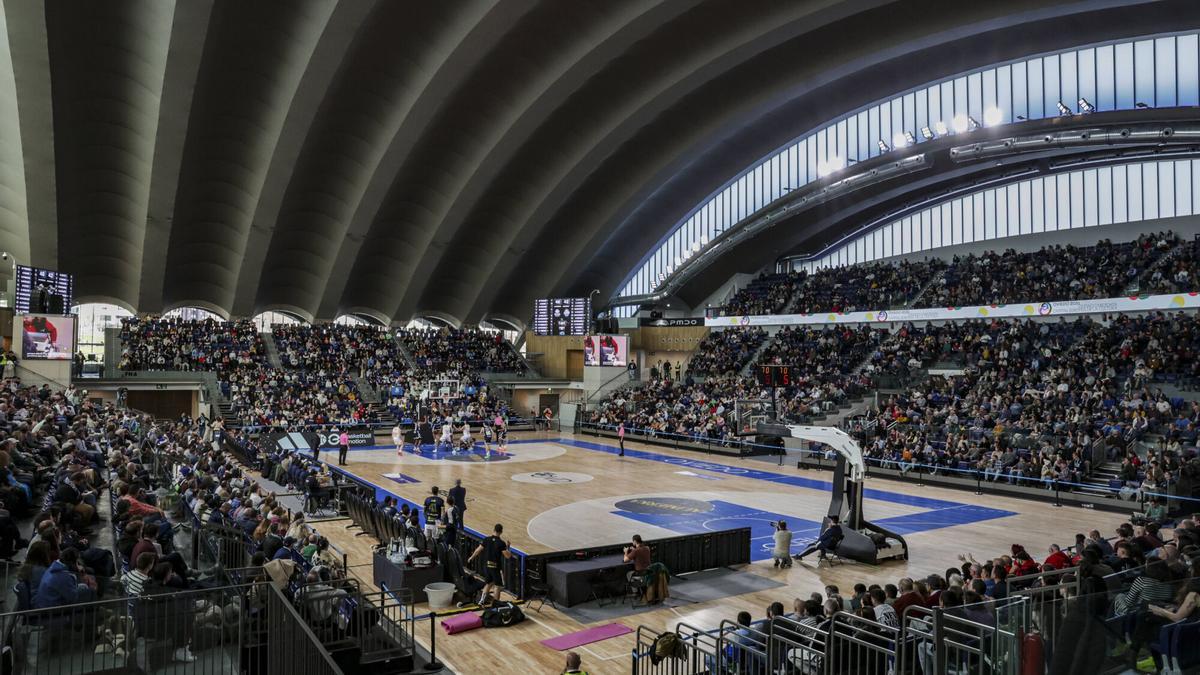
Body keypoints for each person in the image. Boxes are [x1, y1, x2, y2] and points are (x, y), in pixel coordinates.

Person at [467, 523, 512, 605]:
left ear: (494, 530)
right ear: (501, 532)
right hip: (495, 567)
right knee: (497, 585)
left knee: (489, 583)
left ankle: (481, 601)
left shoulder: (486, 540)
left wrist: (471, 557)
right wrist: (508, 547)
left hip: (486, 566)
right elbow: (508, 556)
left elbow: (478, 550)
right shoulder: (501, 543)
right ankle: (496, 603)